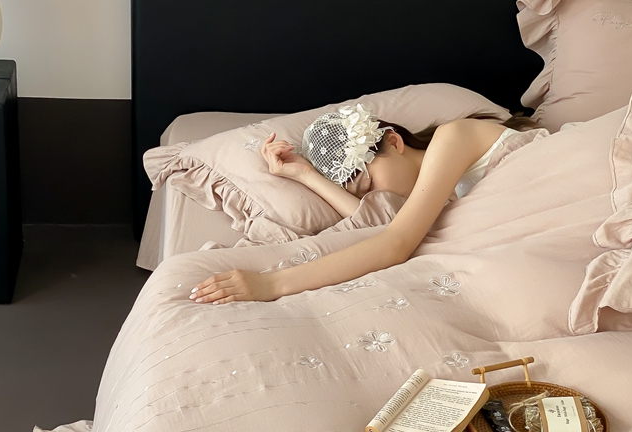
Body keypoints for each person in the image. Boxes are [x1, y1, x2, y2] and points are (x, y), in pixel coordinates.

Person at [190, 103, 527, 305]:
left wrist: (272, 283)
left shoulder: (453, 137)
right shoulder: (435, 196)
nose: (373, 198)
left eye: (369, 185)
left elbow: (395, 241)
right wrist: (306, 175)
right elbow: (379, 221)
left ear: (393, 141)